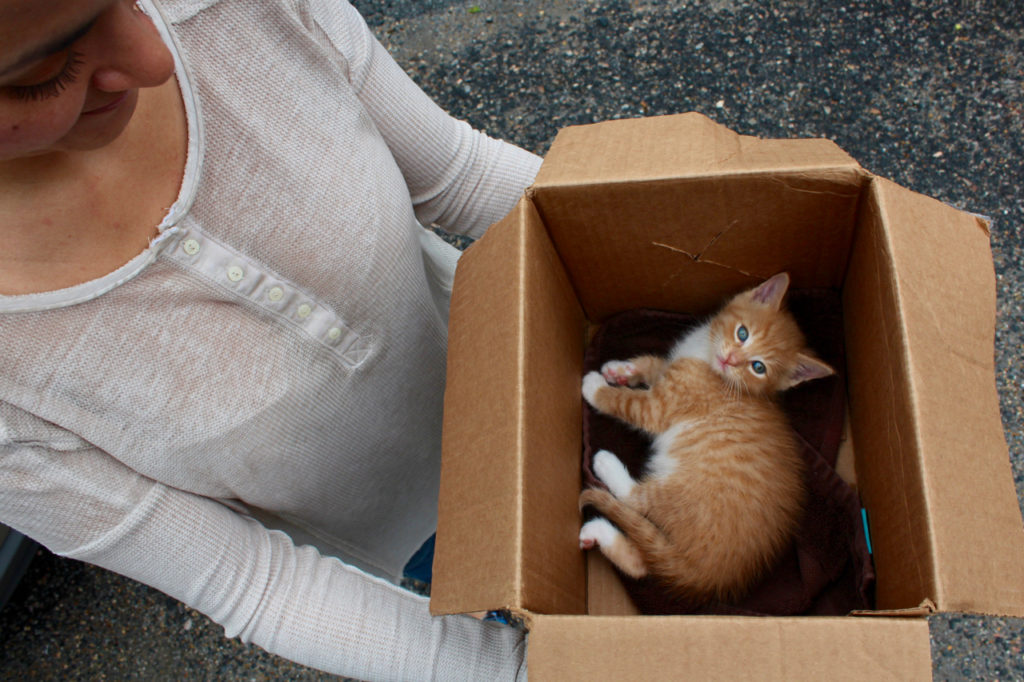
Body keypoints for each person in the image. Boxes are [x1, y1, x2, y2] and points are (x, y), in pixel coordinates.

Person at [0, 0, 541, 678]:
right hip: (433, 555)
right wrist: (531, 668)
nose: (154, 56)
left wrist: (684, 221)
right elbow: (252, 581)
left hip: (554, 394)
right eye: (49, 71)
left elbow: (463, 178)